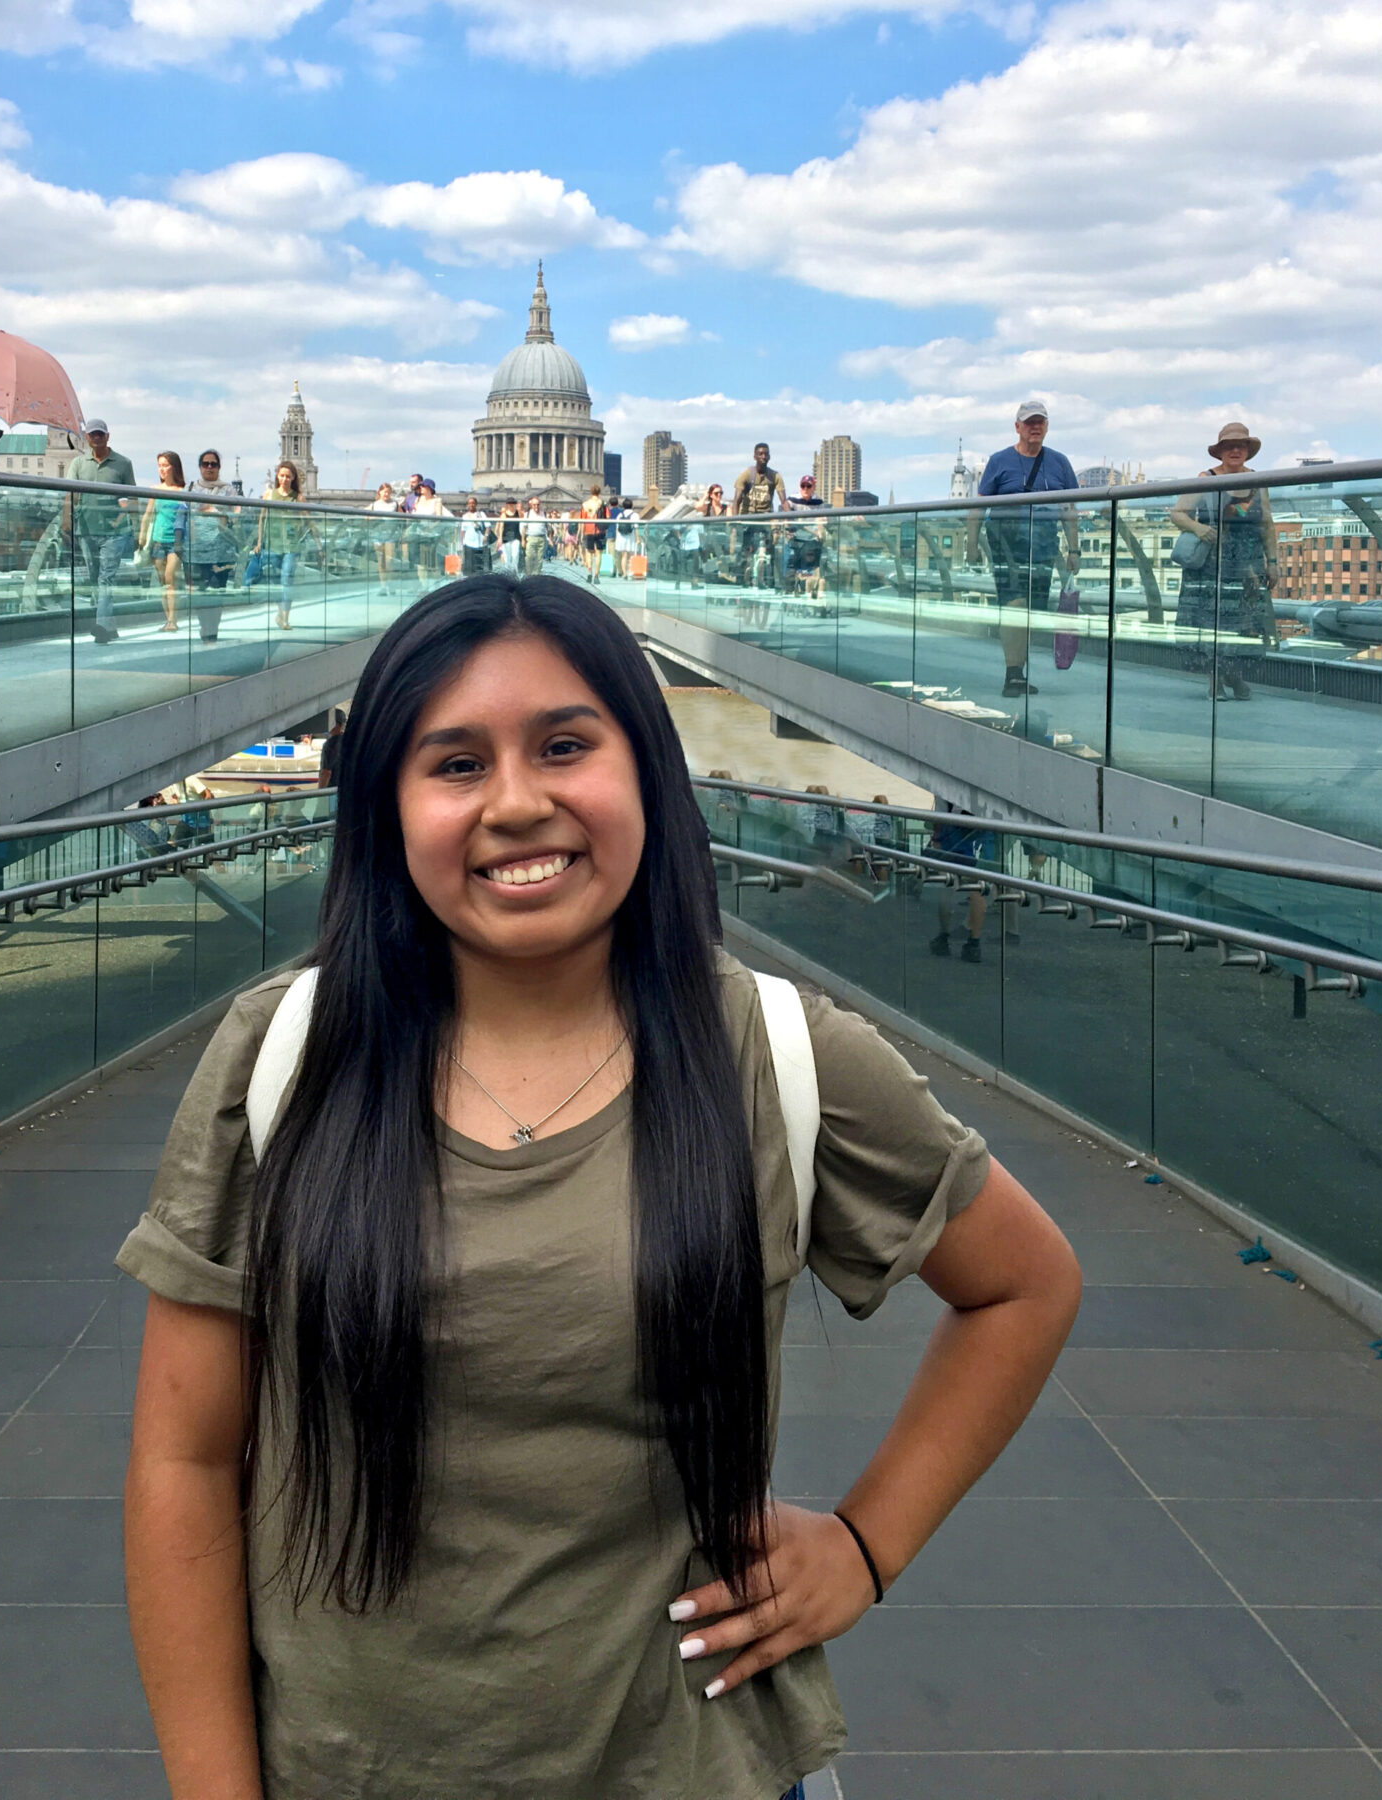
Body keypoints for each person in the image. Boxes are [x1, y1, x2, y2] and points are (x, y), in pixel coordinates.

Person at [117, 571, 1080, 1800]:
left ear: (646, 776)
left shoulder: (782, 1055)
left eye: (565, 745)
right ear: (386, 809)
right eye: (454, 764)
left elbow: (1026, 1285)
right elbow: (184, 1460)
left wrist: (861, 1546)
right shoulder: (284, 1059)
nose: (518, 804)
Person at [963, 401, 1080, 699]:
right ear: (1017, 427)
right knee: (1014, 605)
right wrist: (972, 545)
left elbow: (1069, 508)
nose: (1035, 427)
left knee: (1032, 611)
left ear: (1047, 426)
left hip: (1043, 542)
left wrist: (1074, 549)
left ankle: (1018, 673)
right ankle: (1012, 674)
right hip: (1007, 541)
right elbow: (977, 506)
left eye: (1040, 422)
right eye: (1029, 422)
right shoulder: (999, 461)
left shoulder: (1060, 463)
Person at [1169, 423, 1278, 702]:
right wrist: (1198, 528)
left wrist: (1273, 561)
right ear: (1219, 452)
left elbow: (1266, 524)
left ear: (1247, 451)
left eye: (1240, 445)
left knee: (1243, 626)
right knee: (1211, 624)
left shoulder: (1257, 482)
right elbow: (1178, 513)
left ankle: (1234, 676)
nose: (1235, 450)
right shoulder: (1205, 478)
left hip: (1248, 568)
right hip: (1211, 566)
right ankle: (1215, 681)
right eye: (1229, 446)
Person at [67, 419, 137, 645]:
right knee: (95, 577)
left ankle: (101, 627)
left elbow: (131, 498)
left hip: (114, 533)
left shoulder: (123, 463)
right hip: (86, 530)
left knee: (106, 578)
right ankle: (110, 626)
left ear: (108, 436)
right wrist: (65, 522)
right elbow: (69, 494)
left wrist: (122, 521)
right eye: (92, 435)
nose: (96, 438)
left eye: (100, 434)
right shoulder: (78, 464)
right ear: (87, 438)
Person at [928, 802, 993, 963]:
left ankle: (943, 937)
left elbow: (940, 814)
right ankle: (974, 943)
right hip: (985, 830)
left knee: (947, 884)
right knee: (977, 888)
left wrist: (936, 837)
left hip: (954, 829)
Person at [186, 449, 238, 643]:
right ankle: (204, 626)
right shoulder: (190, 489)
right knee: (199, 593)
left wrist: (212, 510)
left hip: (220, 551)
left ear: (219, 467)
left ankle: (212, 630)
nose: (209, 467)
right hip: (196, 550)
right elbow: (182, 515)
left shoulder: (229, 490)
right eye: (205, 464)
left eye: (213, 464)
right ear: (200, 467)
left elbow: (237, 514)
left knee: (216, 592)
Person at [255, 461, 313, 630]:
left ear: (293, 478)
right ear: (277, 477)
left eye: (288, 476)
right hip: (272, 544)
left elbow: (309, 522)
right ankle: (280, 613)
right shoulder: (269, 495)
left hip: (291, 546)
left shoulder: (298, 498)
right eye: (282, 475)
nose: (285, 479)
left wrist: (315, 542)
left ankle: (285, 618)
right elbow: (261, 519)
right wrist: (259, 542)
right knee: (275, 583)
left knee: (287, 581)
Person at [138, 452, 189, 632]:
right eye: (159, 465)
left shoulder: (182, 493)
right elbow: (148, 514)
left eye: (165, 465)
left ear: (173, 467)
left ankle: (173, 620)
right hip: (158, 540)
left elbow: (185, 519)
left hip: (175, 542)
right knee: (162, 582)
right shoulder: (155, 489)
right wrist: (142, 535)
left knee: (170, 578)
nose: (162, 469)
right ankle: (167, 619)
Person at [733, 443, 787, 595]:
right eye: (760, 454)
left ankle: (773, 582)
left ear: (769, 456)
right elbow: (736, 500)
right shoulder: (747, 474)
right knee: (745, 553)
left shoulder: (775, 476)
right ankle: (742, 583)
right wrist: (736, 521)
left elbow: (783, 501)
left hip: (765, 518)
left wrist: (790, 521)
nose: (763, 457)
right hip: (748, 518)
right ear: (755, 456)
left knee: (772, 550)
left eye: (766, 454)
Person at [369, 482, 400, 590]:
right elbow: (366, 517)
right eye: (384, 492)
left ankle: (390, 584)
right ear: (380, 492)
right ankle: (383, 586)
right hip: (377, 535)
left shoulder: (394, 504)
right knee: (381, 562)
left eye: (388, 492)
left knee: (389, 560)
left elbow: (401, 517)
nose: (386, 494)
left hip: (391, 535)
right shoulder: (374, 504)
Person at [577, 484, 606, 583]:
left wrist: (580, 534)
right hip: (600, 530)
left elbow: (582, 520)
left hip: (588, 530)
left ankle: (589, 572)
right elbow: (607, 517)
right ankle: (596, 576)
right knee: (598, 554)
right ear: (599, 492)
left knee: (589, 553)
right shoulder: (602, 504)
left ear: (591, 492)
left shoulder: (585, 504)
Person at [458, 493, 491, 576]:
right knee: (469, 566)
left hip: (479, 543)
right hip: (468, 543)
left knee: (480, 565)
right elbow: (463, 530)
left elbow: (488, 526)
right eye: (469, 503)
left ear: (476, 504)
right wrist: (461, 542)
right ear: (467, 505)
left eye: (473, 503)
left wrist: (486, 536)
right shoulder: (464, 516)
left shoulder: (481, 514)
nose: (471, 505)